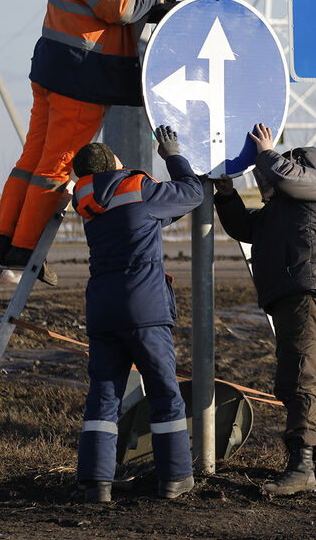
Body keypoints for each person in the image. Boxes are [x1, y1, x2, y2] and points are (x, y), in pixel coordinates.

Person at [0, 0, 175, 279]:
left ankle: (5, 241)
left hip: (56, 77)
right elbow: (120, 9)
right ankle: (24, 249)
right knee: (54, 168)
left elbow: (118, 6)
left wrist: (162, 6)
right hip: (79, 83)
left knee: (33, 160)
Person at [212, 122, 316, 496]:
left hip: (306, 292)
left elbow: (284, 175)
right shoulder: (281, 209)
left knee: (298, 380)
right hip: (294, 293)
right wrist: (227, 196)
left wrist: (267, 152)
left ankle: (301, 466)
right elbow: (244, 227)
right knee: (313, 381)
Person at [71, 125, 203, 503]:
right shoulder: (138, 188)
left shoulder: (86, 201)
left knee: (104, 396)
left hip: (102, 309)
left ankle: (94, 484)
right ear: (114, 162)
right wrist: (174, 156)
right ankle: (176, 477)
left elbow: (139, 221)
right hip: (144, 307)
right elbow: (191, 193)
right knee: (164, 393)